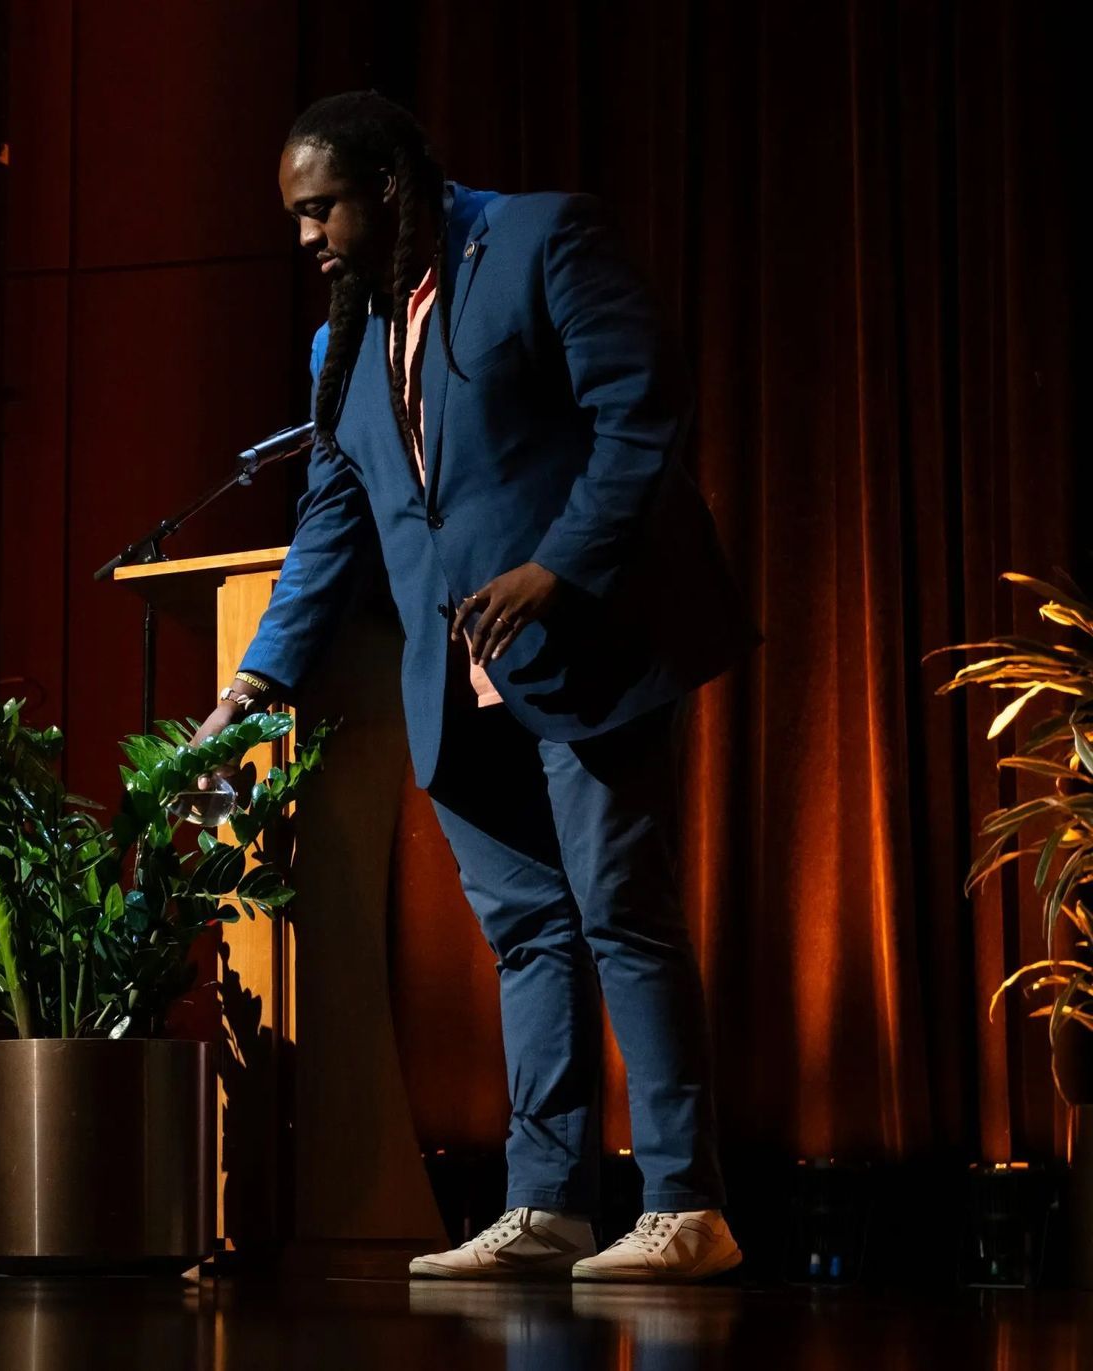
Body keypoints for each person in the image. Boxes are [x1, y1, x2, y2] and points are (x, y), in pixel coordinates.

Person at [192, 91, 760, 1283]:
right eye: (297, 216)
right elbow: (333, 520)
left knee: (622, 912)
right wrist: (253, 683)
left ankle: (683, 1206)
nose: (307, 237)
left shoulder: (543, 239)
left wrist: (559, 567)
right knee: (526, 934)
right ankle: (548, 1204)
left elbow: (641, 419)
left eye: (321, 208)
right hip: (452, 681)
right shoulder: (340, 342)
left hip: (584, 643)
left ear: (388, 182)